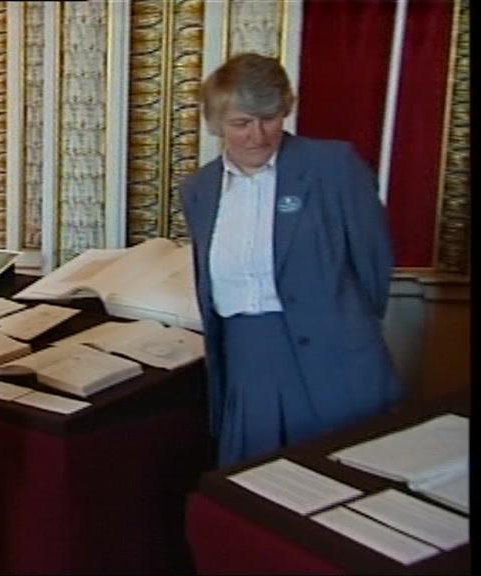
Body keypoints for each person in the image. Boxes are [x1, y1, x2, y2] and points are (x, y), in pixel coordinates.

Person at [180, 53, 401, 468]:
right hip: (247, 358)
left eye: (269, 118)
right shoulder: (199, 189)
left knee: (341, 482)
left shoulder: (334, 166)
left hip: (335, 355)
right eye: (241, 123)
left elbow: (373, 264)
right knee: (257, 485)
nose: (257, 135)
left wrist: (346, 327)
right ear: (215, 124)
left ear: (286, 109)